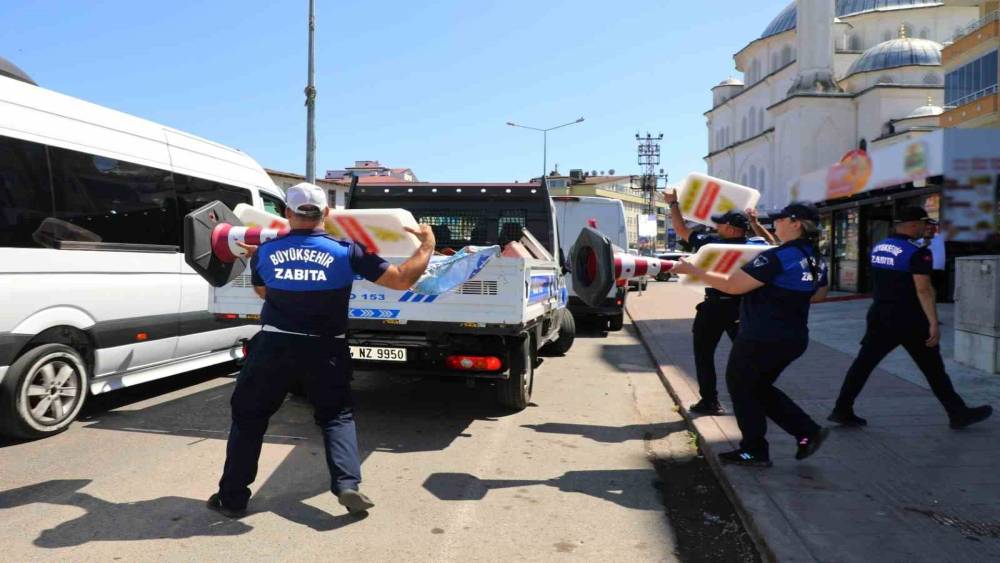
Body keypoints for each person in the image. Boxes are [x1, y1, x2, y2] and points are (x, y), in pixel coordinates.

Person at [207, 182, 436, 518]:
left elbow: (264, 293)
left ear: (287, 212)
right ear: (326, 213)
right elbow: (402, 280)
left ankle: (232, 498)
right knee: (336, 416)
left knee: (249, 417)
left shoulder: (266, 251)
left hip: (274, 345)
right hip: (326, 347)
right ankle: (347, 485)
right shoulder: (347, 251)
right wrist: (427, 245)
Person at [673, 202, 830, 467]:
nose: (775, 224)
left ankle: (756, 450)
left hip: (762, 337)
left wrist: (694, 270)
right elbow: (819, 294)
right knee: (757, 387)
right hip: (793, 336)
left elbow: (733, 286)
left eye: (780, 219)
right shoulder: (815, 257)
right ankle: (805, 432)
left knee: (742, 387)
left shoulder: (776, 257)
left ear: (796, 224)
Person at [828, 206, 991, 429]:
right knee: (933, 369)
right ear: (914, 224)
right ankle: (957, 413)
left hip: (880, 315)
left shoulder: (880, 247)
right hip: (910, 319)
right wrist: (933, 322)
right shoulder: (917, 252)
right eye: (924, 223)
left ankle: (842, 409)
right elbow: (923, 289)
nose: (926, 227)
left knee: (863, 365)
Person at [665, 189, 751, 416]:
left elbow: (681, 230)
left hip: (714, 307)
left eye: (721, 224)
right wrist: (756, 224)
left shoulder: (713, 244)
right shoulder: (755, 245)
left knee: (704, 355)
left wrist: (673, 203)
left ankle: (710, 401)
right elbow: (773, 244)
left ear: (731, 228)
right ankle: (756, 400)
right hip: (743, 307)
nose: (716, 227)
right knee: (748, 357)